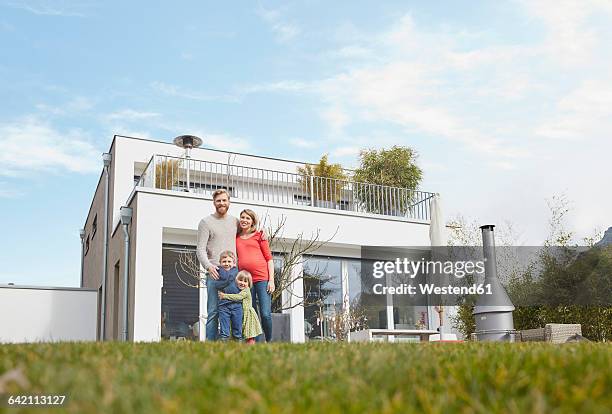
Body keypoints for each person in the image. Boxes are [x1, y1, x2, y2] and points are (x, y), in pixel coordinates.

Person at [196, 189, 239, 341]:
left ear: (229, 202)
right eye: (218, 201)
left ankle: (236, 342)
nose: (221, 203)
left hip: (234, 274)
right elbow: (200, 249)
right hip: (215, 273)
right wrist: (208, 266)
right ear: (214, 202)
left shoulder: (235, 222)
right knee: (213, 311)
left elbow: (248, 233)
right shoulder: (206, 222)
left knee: (236, 309)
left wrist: (262, 232)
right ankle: (210, 344)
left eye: (224, 200)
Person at [235, 209, 274, 342]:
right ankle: (255, 344)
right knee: (251, 313)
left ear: (252, 221)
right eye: (242, 217)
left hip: (263, 279)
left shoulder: (259, 235)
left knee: (265, 314)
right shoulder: (236, 237)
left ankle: (269, 341)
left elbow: (269, 259)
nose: (244, 220)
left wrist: (272, 280)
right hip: (246, 281)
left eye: (247, 218)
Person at [218, 270, 263, 344]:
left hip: (248, 315)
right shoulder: (239, 289)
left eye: (245, 281)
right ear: (236, 280)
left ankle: (251, 347)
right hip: (244, 314)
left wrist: (224, 296)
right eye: (240, 280)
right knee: (244, 332)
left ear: (249, 284)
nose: (242, 283)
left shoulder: (246, 290)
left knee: (249, 333)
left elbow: (238, 297)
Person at [216, 251, 243, 341]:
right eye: (224, 262)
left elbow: (243, 285)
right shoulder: (218, 272)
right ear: (220, 263)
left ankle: (238, 343)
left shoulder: (238, 272)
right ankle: (224, 344)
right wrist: (228, 280)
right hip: (223, 306)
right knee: (224, 331)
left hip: (237, 305)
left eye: (229, 261)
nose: (226, 264)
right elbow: (217, 285)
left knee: (237, 328)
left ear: (234, 263)